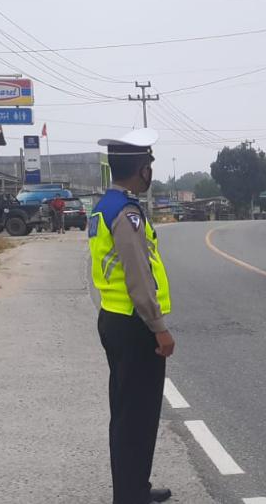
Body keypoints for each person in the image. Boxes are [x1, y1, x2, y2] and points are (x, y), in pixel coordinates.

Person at [88, 128, 174, 504]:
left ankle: (133, 487)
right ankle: (130, 494)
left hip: (114, 317)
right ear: (141, 170)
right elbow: (139, 277)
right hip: (134, 324)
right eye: (149, 164)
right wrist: (160, 329)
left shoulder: (103, 206)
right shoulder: (127, 213)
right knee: (137, 414)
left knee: (126, 410)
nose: (150, 171)